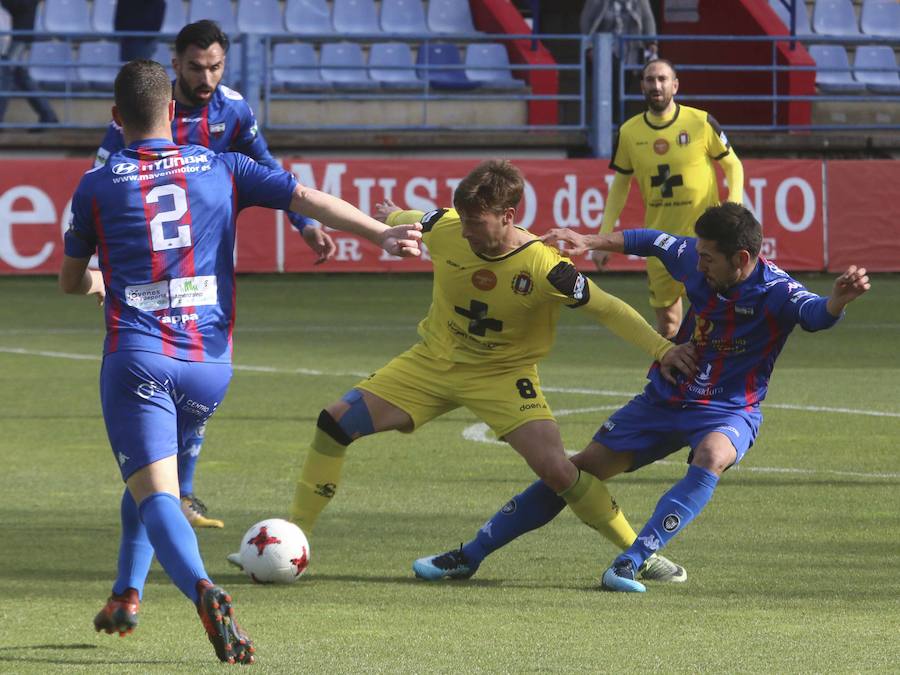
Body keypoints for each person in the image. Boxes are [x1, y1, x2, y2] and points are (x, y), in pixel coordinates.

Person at [59, 60, 421, 662]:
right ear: (173, 113)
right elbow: (304, 196)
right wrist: (380, 236)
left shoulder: (96, 185)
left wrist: (99, 280)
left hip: (139, 358)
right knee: (155, 477)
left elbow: (71, 280)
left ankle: (203, 590)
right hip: (210, 365)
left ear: (116, 118)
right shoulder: (221, 166)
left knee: (155, 495)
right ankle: (127, 591)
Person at [241, 161, 698, 583]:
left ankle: (642, 554)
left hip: (503, 374)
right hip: (433, 361)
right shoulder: (449, 227)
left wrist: (661, 348)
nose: (468, 233)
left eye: (477, 223)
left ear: (509, 215)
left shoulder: (546, 267)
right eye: (464, 219)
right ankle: (292, 540)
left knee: (558, 471)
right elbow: (419, 219)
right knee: (334, 423)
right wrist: (396, 213)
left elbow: (609, 308)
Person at [413, 202, 870, 591]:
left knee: (711, 455)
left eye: (709, 257)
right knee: (573, 473)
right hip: (665, 398)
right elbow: (651, 239)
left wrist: (838, 302)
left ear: (742, 258)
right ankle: (469, 556)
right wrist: (590, 241)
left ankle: (632, 559)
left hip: (729, 407)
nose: (699, 262)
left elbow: (815, 315)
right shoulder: (696, 257)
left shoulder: (776, 291)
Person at [94, 20, 337, 529]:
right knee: (163, 375)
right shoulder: (144, 109)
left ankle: (178, 493)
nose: (206, 77)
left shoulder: (234, 110)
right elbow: (100, 187)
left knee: (198, 383)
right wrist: (98, 268)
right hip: (147, 272)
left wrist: (305, 223)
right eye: (196, 67)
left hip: (204, 267)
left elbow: (267, 166)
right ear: (176, 63)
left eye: (215, 66)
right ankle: (168, 490)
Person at [594, 59, 744, 339]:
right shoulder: (629, 132)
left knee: (714, 319)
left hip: (704, 240)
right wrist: (604, 237)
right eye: (650, 80)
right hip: (660, 242)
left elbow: (733, 165)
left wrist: (733, 207)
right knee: (667, 326)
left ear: (675, 85)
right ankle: (674, 379)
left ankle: (711, 379)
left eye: (663, 79)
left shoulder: (700, 122)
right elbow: (620, 185)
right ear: (642, 86)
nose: (656, 85)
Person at [580, 0, 657, 123]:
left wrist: (651, 42)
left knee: (623, 89)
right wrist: (589, 48)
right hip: (604, 51)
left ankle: (619, 126)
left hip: (630, 52)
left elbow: (647, 19)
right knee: (610, 89)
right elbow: (586, 21)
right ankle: (608, 125)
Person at [0, 0, 59, 126]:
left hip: (20, 36)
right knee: (20, 76)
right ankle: (48, 115)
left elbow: (20, 5)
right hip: (14, 35)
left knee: (5, 72)